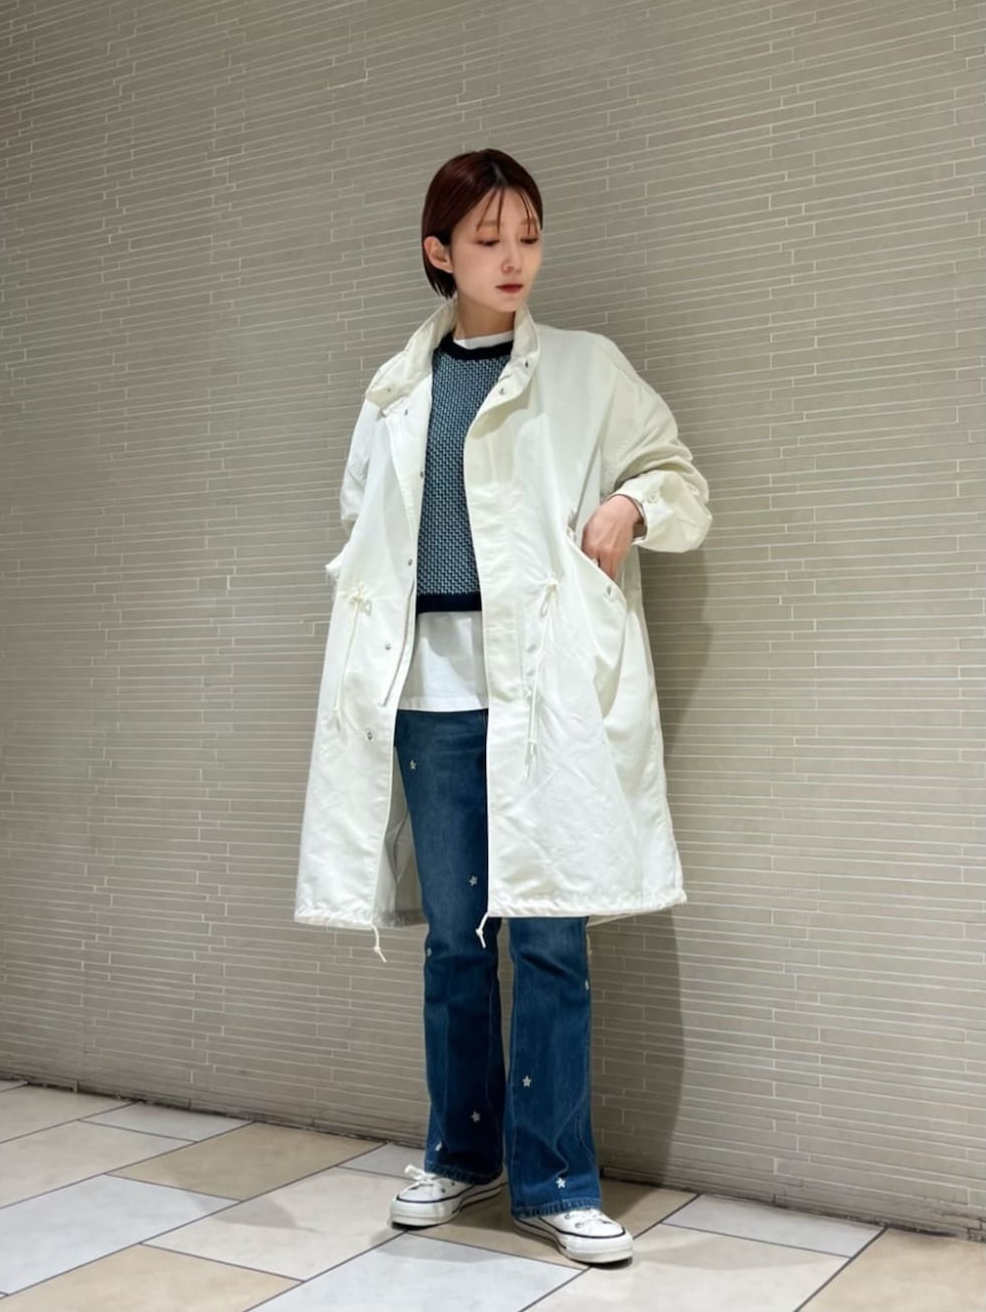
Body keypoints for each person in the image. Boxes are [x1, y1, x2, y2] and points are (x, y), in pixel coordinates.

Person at [295, 148, 712, 1265]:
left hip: (548, 694)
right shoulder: (395, 388)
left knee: (553, 938)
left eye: (527, 233)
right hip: (428, 694)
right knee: (454, 943)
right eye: (488, 239)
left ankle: (558, 1177)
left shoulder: (586, 368)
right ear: (440, 253)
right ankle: (460, 1150)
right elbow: (362, 524)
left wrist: (630, 505)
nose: (514, 256)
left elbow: (681, 479)